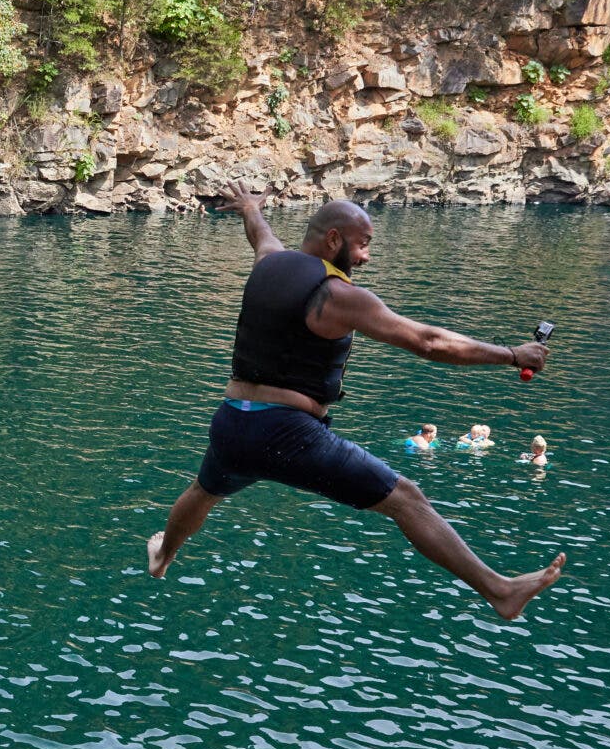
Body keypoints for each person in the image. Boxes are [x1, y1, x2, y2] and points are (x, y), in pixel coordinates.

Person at [145, 191, 565, 621]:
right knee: (405, 498)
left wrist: (251, 208)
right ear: (332, 240)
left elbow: (262, 235)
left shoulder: (269, 262)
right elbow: (428, 342)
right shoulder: (337, 296)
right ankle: (500, 591)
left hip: (233, 423)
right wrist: (512, 354)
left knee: (203, 491)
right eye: (362, 243)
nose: (365, 257)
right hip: (288, 434)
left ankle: (163, 555)